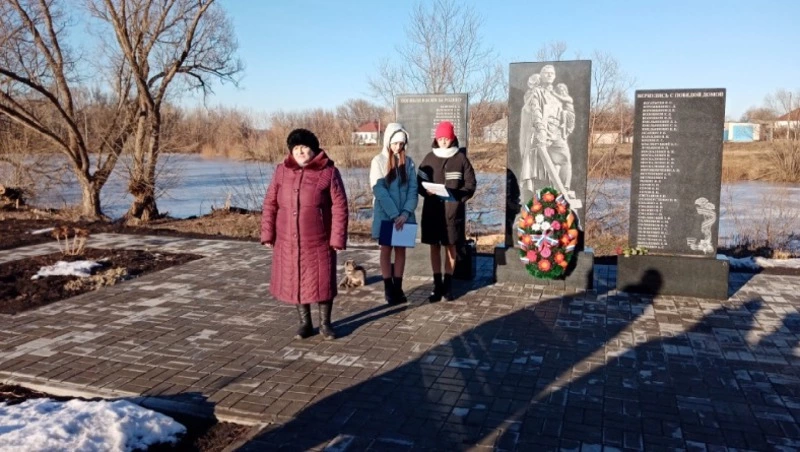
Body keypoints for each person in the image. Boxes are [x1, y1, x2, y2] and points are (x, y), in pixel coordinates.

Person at [261, 128, 349, 340]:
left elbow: (340, 206)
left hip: (319, 241)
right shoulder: (281, 171)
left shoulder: (328, 172)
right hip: (287, 240)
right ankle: (305, 323)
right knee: (296, 280)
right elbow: (270, 203)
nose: (300, 152)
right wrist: (268, 234)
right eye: (296, 148)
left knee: (322, 282)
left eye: (304, 147)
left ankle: (325, 324)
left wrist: (337, 238)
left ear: (313, 149)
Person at [417, 121, 476, 302]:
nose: (443, 141)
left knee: (451, 246)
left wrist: (458, 197)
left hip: (452, 212)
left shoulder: (460, 159)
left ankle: (448, 285)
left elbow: (470, 184)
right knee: (434, 247)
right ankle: (437, 285)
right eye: (440, 138)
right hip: (432, 212)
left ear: (452, 138)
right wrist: (424, 190)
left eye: (446, 138)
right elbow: (418, 182)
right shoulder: (429, 158)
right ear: (436, 138)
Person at [369, 123, 418, 305]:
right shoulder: (378, 161)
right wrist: (394, 214)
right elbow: (379, 190)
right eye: (395, 143)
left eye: (401, 144)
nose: (398, 147)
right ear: (388, 142)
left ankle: (398, 287)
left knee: (400, 250)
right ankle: (388, 287)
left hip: (404, 217)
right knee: (386, 250)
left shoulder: (409, 163)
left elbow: (413, 189)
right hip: (386, 215)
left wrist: (405, 213)